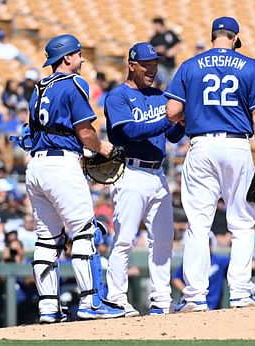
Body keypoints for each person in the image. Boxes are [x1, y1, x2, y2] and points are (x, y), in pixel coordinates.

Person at [165, 16, 255, 311]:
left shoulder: (190, 65)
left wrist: (194, 115)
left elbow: (172, 111)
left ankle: (194, 297)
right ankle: (241, 295)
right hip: (237, 144)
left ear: (213, 37)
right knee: (243, 223)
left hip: (202, 145)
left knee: (198, 223)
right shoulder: (250, 66)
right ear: (235, 38)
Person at [24, 34, 125, 322]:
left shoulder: (38, 88)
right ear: (67, 57)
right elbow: (84, 132)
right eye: (78, 54)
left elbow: (30, 132)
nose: (81, 59)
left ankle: (47, 309)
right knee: (84, 232)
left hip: (36, 166)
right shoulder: (73, 83)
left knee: (46, 240)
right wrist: (105, 148)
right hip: (60, 165)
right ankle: (91, 302)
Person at [104, 42, 185, 316]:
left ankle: (161, 298)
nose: (152, 69)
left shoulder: (160, 95)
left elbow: (172, 136)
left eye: (155, 64)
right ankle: (116, 298)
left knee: (163, 239)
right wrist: (168, 120)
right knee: (124, 239)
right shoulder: (118, 97)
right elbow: (131, 131)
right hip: (130, 172)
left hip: (157, 174)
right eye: (146, 64)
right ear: (131, 65)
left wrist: (181, 120)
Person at [172, 232, 229, 310]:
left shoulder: (219, 260)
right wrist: (187, 291)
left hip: (212, 305)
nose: (207, 246)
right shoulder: (191, 262)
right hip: (192, 302)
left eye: (208, 244)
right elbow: (176, 278)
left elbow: (236, 263)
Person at [149, 17, 182, 88]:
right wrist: (158, 49)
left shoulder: (170, 34)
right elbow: (149, 50)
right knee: (160, 80)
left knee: (171, 85)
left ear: (158, 24)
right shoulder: (154, 38)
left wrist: (172, 51)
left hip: (171, 65)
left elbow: (178, 44)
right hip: (160, 64)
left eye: (154, 25)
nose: (153, 28)